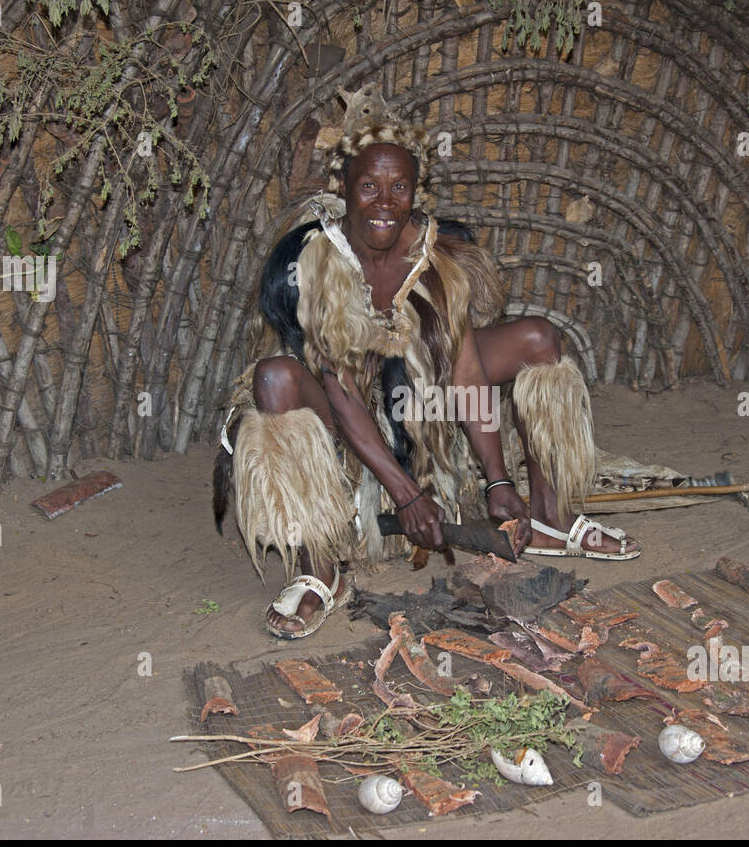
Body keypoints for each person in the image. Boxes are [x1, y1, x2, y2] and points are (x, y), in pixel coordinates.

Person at [214, 114, 639, 639]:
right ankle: (319, 563)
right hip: (339, 412)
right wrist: (408, 497)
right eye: (368, 186)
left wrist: (499, 480)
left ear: (418, 192)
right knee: (274, 380)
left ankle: (545, 516)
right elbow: (342, 391)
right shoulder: (314, 260)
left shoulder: (437, 255)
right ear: (343, 187)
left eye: (400, 187)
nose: (385, 202)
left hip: (420, 396)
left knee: (539, 339)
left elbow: (463, 372)